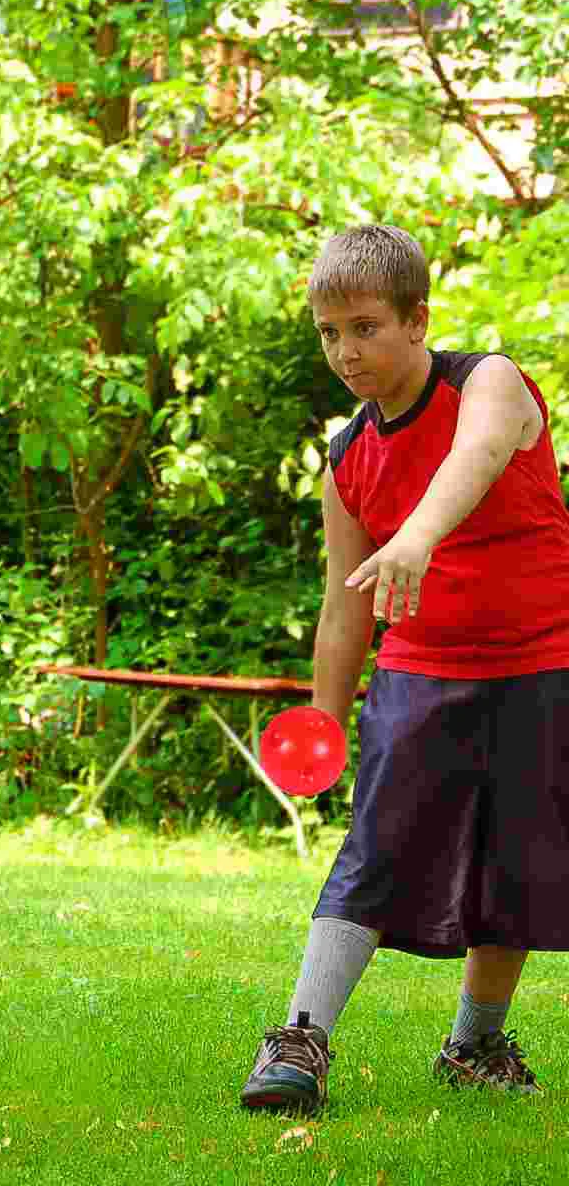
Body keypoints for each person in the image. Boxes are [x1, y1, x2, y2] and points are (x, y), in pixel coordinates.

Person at [240, 223, 569, 1114]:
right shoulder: (348, 458)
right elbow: (346, 603)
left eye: (364, 327)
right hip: (420, 672)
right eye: (328, 332)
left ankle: (475, 1043)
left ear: (418, 319)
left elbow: (479, 455)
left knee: (520, 862)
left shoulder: (488, 383)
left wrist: (418, 537)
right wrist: (321, 716)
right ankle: (300, 1040)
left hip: (543, 662)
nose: (344, 352)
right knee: (373, 852)